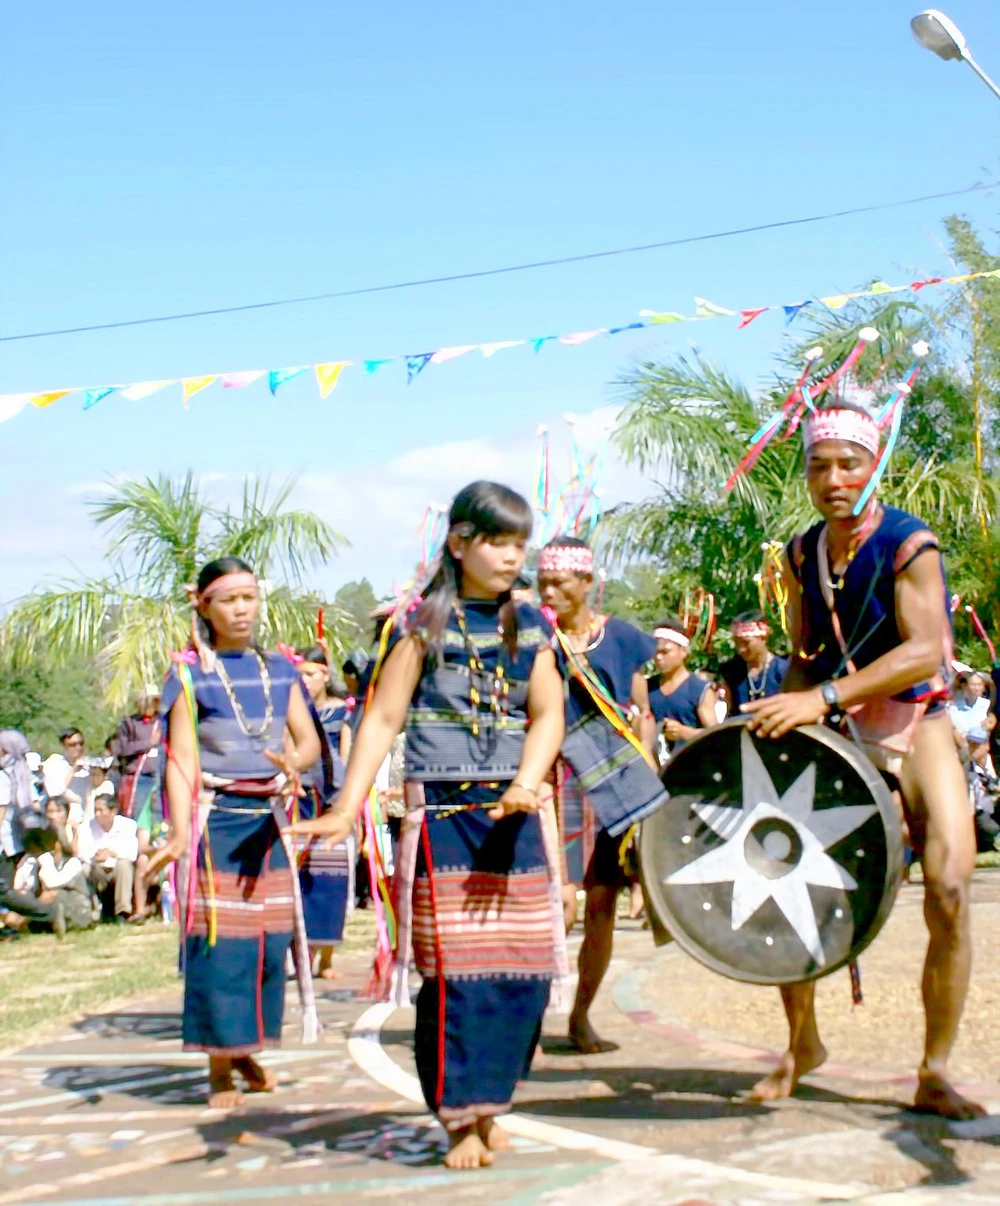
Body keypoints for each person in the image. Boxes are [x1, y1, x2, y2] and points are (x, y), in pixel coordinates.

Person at [292, 482, 565, 1171]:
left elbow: (548, 715)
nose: (510, 557)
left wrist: (528, 784)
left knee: (523, 973)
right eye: (497, 542)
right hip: (446, 817)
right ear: (459, 543)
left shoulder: (532, 624)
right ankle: (458, 1120)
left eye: (518, 543)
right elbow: (382, 717)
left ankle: (492, 1100)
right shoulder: (418, 626)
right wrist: (347, 806)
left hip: (515, 814)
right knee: (456, 978)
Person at [742, 398, 983, 1120]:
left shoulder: (912, 543)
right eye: (819, 466)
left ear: (874, 466)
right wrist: (779, 723)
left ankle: (935, 1070)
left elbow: (926, 648)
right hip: (839, 723)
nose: (834, 478)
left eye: (849, 463)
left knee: (948, 887)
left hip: (918, 722)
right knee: (786, 879)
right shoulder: (800, 553)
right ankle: (803, 1043)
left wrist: (823, 699)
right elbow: (806, 654)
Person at [144, 556, 320, 1109]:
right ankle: (220, 1065)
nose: (241, 609)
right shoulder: (190, 673)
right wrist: (177, 833)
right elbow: (182, 761)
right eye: (228, 600)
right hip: (215, 821)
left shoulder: (281, 669)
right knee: (221, 949)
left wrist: (294, 762)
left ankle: (244, 1047)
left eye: (249, 597)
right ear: (204, 605)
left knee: (268, 948)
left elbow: (309, 740)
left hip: (268, 824)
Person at [536, 535, 665, 1054]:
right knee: (557, 903)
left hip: (612, 778)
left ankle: (581, 1016)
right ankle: (528, 1018)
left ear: (587, 583)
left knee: (603, 905)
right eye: (542, 581)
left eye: (560, 582)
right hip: (555, 778)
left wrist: (648, 772)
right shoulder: (532, 638)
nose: (549, 591)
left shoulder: (625, 638)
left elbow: (639, 712)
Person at [295, 644, 354, 979]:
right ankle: (301, 954)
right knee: (296, 877)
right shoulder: (290, 710)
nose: (305, 681)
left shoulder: (340, 713)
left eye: (311, 674)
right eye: (300, 674)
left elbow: (346, 759)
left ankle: (326, 956)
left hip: (329, 796)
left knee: (330, 875)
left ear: (325, 675)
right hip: (297, 799)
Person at [1, 730, 60, 935]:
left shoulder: (3, 775)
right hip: (18, 841)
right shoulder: (23, 773)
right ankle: (10, 928)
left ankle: (48, 912)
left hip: (4, 842)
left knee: (4, 892)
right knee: (5, 890)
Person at [647, 618, 719, 759]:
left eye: (665, 652)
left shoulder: (699, 690)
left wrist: (686, 733)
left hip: (691, 767)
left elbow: (716, 736)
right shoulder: (648, 688)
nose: (659, 658)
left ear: (683, 651)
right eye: (655, 652)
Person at [78, 794, 139, 923]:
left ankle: (122, 912)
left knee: (124, 865)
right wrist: (97, 855)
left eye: (101, 810)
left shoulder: (128, 825)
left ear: (113, 811)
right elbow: (83, 853)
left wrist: (112, 852)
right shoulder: (86, 827)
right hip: (97, 868)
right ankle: (94, 911)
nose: (97, 814)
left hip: (117, 869)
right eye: (95, 810)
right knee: (85, 868)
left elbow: (132, 853)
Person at [36, 809, 93, 932]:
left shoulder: (74, 863)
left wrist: (44, 859)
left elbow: (52, 882)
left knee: (53, 893)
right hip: (54, 906)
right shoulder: (46, 861)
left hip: (78, 909)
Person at [720, 611, 789, 712]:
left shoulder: (783, 671)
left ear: (764, 637)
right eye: (737, 643)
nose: (741, 649)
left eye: (746, 642)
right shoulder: (732, 673)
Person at [59, 729, 92, 806]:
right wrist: (74, 769)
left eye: (81, 744)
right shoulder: (56, 765)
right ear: (64, 746)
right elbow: (57, 792)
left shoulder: (89, 765)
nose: (79, 748)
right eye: (73, 745)